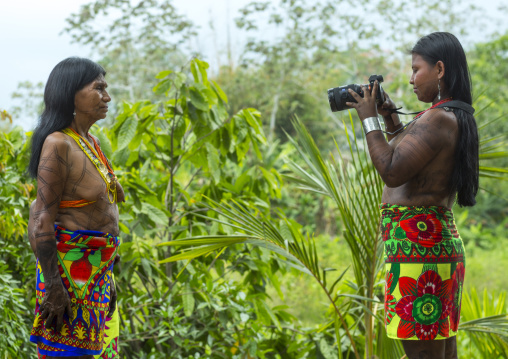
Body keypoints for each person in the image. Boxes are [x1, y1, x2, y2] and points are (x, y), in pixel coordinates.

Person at [345, 32, 478, 359]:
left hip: (420, 251)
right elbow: (410, 161)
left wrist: (369, 119)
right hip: (429, 246)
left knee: (423, 355)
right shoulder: (447, 115)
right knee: (440, 353)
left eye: (417, 69)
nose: (411, 78)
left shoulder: (438, 119)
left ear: (441, 70)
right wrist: (391, 119)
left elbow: (392, 170)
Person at [28, 57, 124, 359]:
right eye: (99, 89)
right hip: (68, 282)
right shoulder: (58, 143)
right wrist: (54, 286)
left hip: (96, 278)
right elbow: (41, 220)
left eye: (106, 89)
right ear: (71, 94)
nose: (107, 97)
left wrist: (107, 270)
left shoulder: (90, 142)